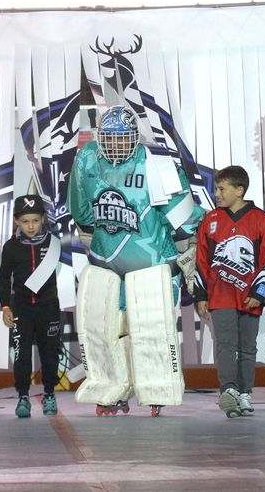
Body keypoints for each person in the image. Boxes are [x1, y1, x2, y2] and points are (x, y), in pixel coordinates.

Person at [67, 104, 204, 416]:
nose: (115, 143)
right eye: (109, 137)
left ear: (135, 136)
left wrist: (194, 246)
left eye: (122, 137)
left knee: (151, 327)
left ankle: (157, 387)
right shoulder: (87, 158)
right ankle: (112, 387)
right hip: (106, 263)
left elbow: (184, 218)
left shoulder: (157, 163)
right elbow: (81, 211)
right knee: (106, 329)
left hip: (151, 263)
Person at [194, 165, 265, 418]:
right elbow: (201, 259)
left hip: (249, 296)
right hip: (220, 296)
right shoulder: (210, 220)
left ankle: (245, 393)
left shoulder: (261, 220)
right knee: (226, 344)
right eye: (216, 188)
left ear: (239, 190)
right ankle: (229, 390)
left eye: (222, 189)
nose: (216, 193)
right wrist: (201, 295)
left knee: (248, 346)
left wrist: (259, 293)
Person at [0, 193, 62, 418]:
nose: (31, 226)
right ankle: (23, 396)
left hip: (48, 308)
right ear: (16, 221)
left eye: (35, 220)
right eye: (25, 221)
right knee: (21, 356)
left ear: (43, 218)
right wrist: (6, 307)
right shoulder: (10, 247)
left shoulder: (53, 243)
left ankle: (49, 393)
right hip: (22, 310)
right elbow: (4, 279)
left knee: (50, 354)